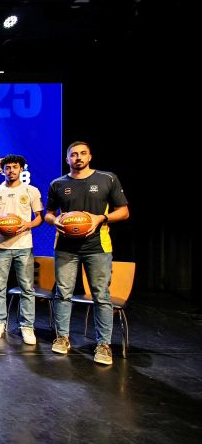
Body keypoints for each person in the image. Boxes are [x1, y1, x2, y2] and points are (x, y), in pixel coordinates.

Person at [45, 141, 129, 365]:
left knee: (101, 296)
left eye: (83, 153)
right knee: (63, 294)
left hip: (98, 247)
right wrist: (55, 220)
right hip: (65, 247)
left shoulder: (107, 179)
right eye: (73, 154)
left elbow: (124, 212)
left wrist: (101, 218)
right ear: (67, 159)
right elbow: (48, 213)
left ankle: (104, 345)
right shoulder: (57, 184)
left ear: (90, 157)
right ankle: (62, 337)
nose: (78, 157)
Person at [0, 154, 43, 345]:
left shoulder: (31, 190)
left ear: (21, 169)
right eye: (7, 168)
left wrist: (28, 225)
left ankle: (27, 326)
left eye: (15, 167)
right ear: (2, 170)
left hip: (23, 245)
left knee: (27, 288)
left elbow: (39, 217)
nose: (11, 171)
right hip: (0, 245)